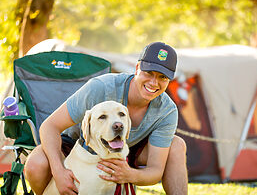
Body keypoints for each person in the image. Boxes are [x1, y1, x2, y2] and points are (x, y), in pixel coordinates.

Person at [25, 42, 188, 195]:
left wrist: (129, 175)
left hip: (127, 150)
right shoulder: (101, 88)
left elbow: (155, 171)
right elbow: (49, 126)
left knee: (177, 145)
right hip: (78, 144)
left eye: (162, 77)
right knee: (35, 164)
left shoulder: (167, 111)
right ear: (137, 68)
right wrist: (59, 171)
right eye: (149, 73)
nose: (154, 82)